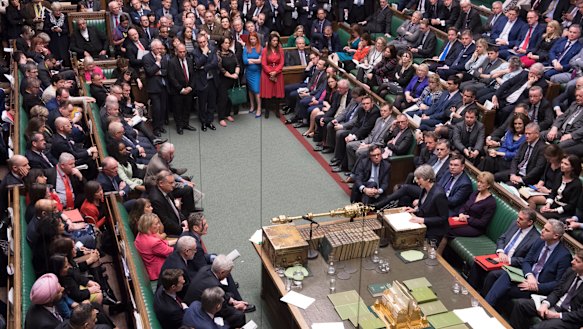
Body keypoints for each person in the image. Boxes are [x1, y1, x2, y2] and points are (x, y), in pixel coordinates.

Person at [485, 219, 572, 306]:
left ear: (555, 236)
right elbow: (527, 261)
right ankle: (486, 306)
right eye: (543, 228)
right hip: (527, 276)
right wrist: (529, 276)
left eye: (546, 230)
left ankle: (487, 307)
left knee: (504, 288)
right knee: (505, 275)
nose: (542, 231)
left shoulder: (564, 256)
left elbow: (559, 283)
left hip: (538, 287)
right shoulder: (540, 241)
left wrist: (536, 287)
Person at [509, 249, 583, 329]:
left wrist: (557, 315)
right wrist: (545, 304)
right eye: (574, 258)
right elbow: (557, 291)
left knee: (539, 327)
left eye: (577, 261)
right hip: (555, 305)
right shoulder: (570, 271)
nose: (572, 262)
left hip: (569, 317)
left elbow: (580, 314)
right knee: (521, 304)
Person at [184, 255, 250, 328]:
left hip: (194, 307)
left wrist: (233, 301)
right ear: (222, 272)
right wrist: (237, 307)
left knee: (230, 295)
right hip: (204, 311)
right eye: (227, 273)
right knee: (239, 315)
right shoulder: (215, 285)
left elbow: (222, 296)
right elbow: (223, 310)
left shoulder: (206, 269)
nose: (228, 275)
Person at [405, 164, 449, 241]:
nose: (416, 181)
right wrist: (415, 210)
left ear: (428, 179)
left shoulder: (439, 194)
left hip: (434, 231)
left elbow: (443, 218)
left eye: (419, 178)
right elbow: (425, 207)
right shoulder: (424, 188)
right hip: (424, 224)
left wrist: (423, 220)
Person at [480, 113, 529, 181]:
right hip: (502, 157)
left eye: (520, 124)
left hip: (511, 163)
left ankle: (487, 181)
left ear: (525, 124)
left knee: (493, 166)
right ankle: (481, 179)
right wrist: (496, 153)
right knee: (488, 159)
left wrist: (499, 153)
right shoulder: (510, 132)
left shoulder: (526, 138)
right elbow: (504, 146)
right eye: (515, 123)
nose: (517, 126)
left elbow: (517, 154)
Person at [446, 171, 496, 237]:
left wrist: (467, 218)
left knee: (447, 229)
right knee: (444, 223)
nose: (478, 184)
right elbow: (464, 206)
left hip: (475, 228)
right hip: (463, 221)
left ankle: (435, 246)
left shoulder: (491, 202)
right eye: (478, 181)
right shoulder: (475, 193)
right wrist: (461, 214)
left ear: (488, 185)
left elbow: (482, 223)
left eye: (482, 182)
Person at [539, 155, 582, 219]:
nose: (562, 165)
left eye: (566, 164)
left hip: (564, 211)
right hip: (554, 204)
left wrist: (553, 210)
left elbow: (571, 205)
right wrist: (547, 205)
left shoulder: (577, 184)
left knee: (542, 216)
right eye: (562, 162)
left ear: (573, 167)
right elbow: (553, 193)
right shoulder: (559, 175)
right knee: (538, 212)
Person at [134, 213, 175, 280]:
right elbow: (170, 251)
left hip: (152, 266)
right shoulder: (153, 242)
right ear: (148, 226)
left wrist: (178, 240)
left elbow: (164, 243)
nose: (159, 226)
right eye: (156, 224)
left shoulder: (142, 234)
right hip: (160, 270)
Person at [168, 43, 196, 135]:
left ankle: (186, 124)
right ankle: (179, 126)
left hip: (189, 89)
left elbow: (192, 75)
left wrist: (190, 87)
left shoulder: (189, 60)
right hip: (178, 91)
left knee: (187, 108)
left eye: (184, 52)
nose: (183, 54)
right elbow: (172, 78)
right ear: (176, 52)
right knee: (178, 109)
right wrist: (181, 89)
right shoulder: (172, 62)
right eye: (180, 52)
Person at [193, 34, 219, 132]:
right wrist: (204, 54)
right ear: (197, 43)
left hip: (212, 80)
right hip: (201, 81)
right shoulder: (195, 52)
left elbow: (215, 63)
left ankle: (209, 121)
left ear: (207, 41)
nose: (203, 44)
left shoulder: (213, 48)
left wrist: (204, 68)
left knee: (212, 103)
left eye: (204, 42)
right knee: (202, 104)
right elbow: (198, 63)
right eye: (200, 42)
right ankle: (203, 122)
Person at [142, 39, 169, 137]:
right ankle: (156, 128)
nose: (160, 50)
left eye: (160, 48)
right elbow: (149, 72)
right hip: (153, 88)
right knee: (157, 108)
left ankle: (160, 125)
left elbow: (167, 70)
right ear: (152, 48)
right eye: (157, 48)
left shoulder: (164, 56)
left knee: (163, 108)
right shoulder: (146, 58)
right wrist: (157, 63)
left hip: (163, 86)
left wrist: (159, 72)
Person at [527, 145, 564, 209]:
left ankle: (529, 217)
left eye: (549, 158)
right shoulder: (549, 163)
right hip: (543, 190)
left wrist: (548, 191)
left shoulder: (563, 168)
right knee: (524, 193)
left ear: (557, 156)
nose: (548, 160)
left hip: (552, 194)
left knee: (531, 199)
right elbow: (544, 177)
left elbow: (561, 189)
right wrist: (539, 185)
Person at [217, 37, 241, 127]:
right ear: (221, 44)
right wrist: (231, 75)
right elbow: (221, 68)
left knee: (230, 98)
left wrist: (236, 73)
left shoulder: (231, 53)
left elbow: (237, 64)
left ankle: (227, 114)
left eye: (228, 43)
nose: (228, 44)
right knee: (223, 99)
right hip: (223, 79)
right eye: (226, 43)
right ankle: (221, 117)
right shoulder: (218, 54)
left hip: (233, 78)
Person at [260, 32, 284, 119]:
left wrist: (276, 72)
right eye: (274, 40)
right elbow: (263, 63)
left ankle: (277, 110)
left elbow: (281, 62)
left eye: (277, 41)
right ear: (270, 41)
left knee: (277, 93)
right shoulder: (265, 50)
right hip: (267, 74)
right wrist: (270, 72)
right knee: (268, 93)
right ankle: (267, 110)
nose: (275, 42)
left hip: (277, 73)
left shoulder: (280, 49)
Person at [43, 2, 70, 67]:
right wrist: (52, 29)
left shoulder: (65, 17)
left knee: (64, 55)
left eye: (59, 10)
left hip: (63, 40)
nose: (58, 12)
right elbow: (45, 29)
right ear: (53, 10)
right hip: (52, 39)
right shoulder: (48, 17)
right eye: (56, 11)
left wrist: (61, 30)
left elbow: (68, 30)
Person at [243, 32, 263, 117]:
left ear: (257, 39)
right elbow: (245, 61)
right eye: (251, 39)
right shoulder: (246, 48)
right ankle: (252, 106)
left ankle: (259, 108)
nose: (252, 40)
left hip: (257, 72)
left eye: (254, 39)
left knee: (256, 90)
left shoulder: (260, 48)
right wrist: (255, 60)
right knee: (250, 90)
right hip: (249, 72)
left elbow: (260, 61)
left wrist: (250, 59)